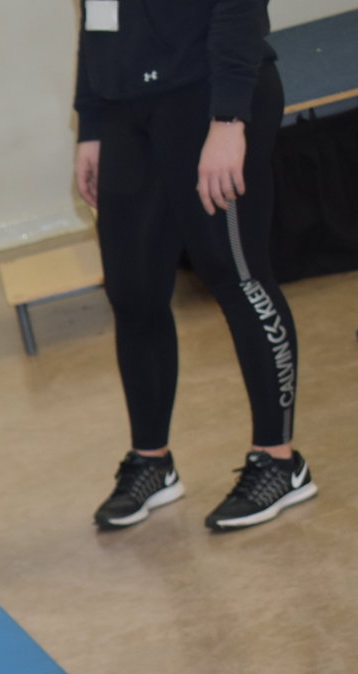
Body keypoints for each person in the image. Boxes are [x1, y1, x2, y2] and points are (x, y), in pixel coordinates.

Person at [73, 0, 315, 531]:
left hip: (207, 95)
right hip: (124, 110)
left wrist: (229, 118)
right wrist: (91, 121)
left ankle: (280, 461)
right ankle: (151, 462)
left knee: (238, 277)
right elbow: (96, 13)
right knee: (133, 293)